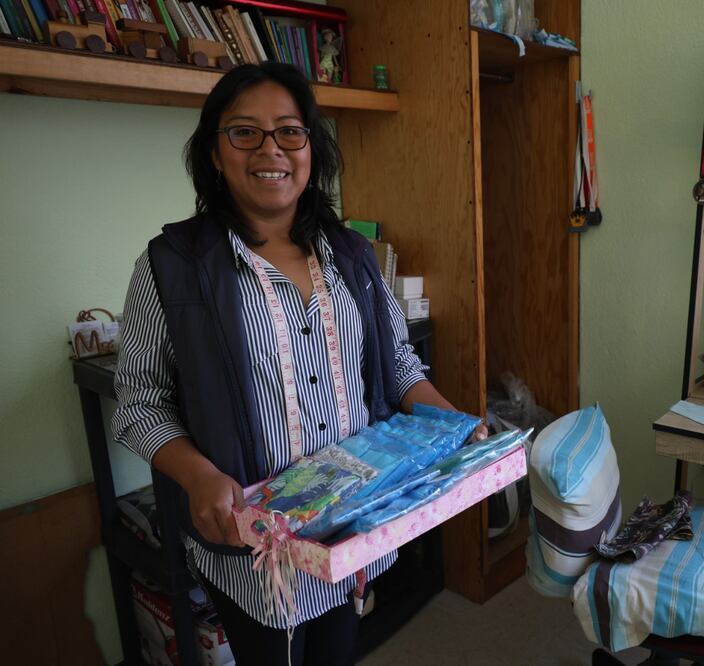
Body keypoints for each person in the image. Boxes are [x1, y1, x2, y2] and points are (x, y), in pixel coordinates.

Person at [112, 62, 486, 666]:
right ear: (214, 151)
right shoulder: (171, 267)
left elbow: (395, 360)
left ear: (312, 148)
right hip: (257, 542)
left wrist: (453, 423)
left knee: (337, 651)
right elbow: (139, 402)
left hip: (353, 516)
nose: (271, 150)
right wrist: (200, 476)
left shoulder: (353, 255)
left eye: (290, 131)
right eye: (245, 132)